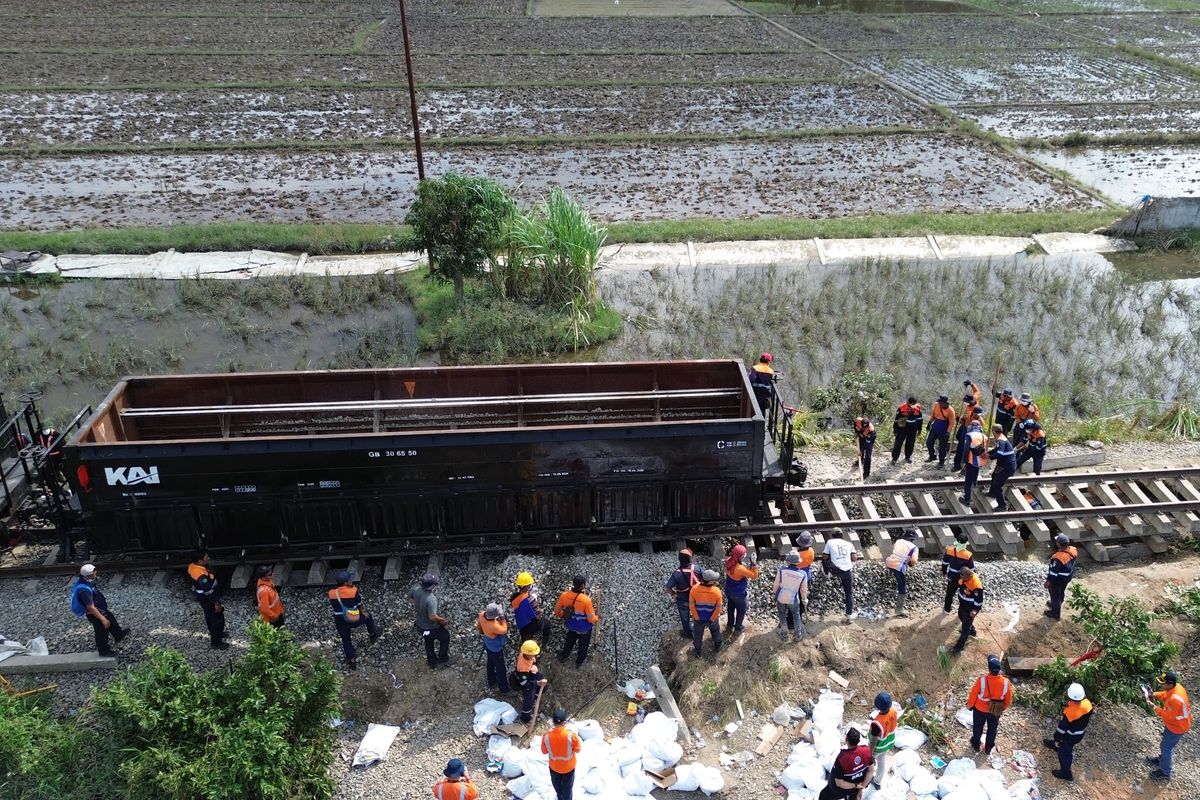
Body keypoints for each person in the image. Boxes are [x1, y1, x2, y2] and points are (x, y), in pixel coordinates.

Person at [69, 563, 129, 657]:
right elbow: (91, 607)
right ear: (89, 575)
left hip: (101, 609)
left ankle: (118, 635)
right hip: (96, 613)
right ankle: (104, 651)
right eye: (94, 573)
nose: (95, 575)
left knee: (111, 619)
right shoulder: (84, 590)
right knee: (101, 631)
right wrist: (102, 619)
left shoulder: (85, 581)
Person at [328, 570, 379, 671]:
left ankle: (352, 660)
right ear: (345, 583)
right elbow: (359, 605)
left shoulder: (331, 593)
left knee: (346, 639)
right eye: (349, 580)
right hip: (352, 617)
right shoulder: (353, 591)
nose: (351, 581)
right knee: (368, 617)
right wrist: (363, 612)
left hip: (339, 619)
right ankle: (373, 634)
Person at [1043, 683, 1092, 782]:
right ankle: (1056, 745)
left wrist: (1057, 738)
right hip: (1079, 732)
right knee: (1064, 745)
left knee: (1064, 753)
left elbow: (1061, 729)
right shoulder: (1087, 704)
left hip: (1071, 736)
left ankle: (1066, 773)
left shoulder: (1069, 713)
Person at [1147, 671, 1190, 782]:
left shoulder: (1175, 699)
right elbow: (1166, 694)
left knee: (1166, 747)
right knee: (1165, 745)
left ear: (1170, 684)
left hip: (1177, 727)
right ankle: (1162, 760)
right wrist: (1154, 694)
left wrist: (1154, 707)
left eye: (1163, 683)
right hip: (1176, 724)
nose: (1161, 685)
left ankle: (1165, 772)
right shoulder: (1176, 688)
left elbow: (1169, 717)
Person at [967, 654, 1013, 754]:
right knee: (992, 729)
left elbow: (973, 693)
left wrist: (970, 705)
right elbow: (1008, 699)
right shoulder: (1006, 682)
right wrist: (1002, 708)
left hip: (980, 709)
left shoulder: (982, 680)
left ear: (989, 669)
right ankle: (988, 747)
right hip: (996, 710)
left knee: (978, 727)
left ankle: (975, 744)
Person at [554, 575, 599, 667]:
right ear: (582, 586)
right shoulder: (586, 600)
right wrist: (597, 618)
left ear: (573, 584)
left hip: (570, 625)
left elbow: (557, 611)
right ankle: (579, 662)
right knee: (583, 645)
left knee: (570, 639)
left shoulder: (564, 595)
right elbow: (591, 618)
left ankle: (564, 656)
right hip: (584, 628)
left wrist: (561, 615)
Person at [187, 551, 228, 650]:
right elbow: (208, 591)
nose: (208, 558)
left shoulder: (192, 566)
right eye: (206, 557)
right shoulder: (201, 576)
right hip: (208, 598)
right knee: (217, 618)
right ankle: (216, 642)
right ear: (200, 561)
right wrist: (216, 603)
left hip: (202, 597)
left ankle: (216, 633)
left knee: (209, 615)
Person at [819, 728, 875, 800]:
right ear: (858, 741)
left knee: (823, 796)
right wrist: (861, 787)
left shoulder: (842, 759)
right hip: (856, 789)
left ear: (846, 739)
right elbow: (871, 771)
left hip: (841, 790)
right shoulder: (866, 751)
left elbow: (839, 783)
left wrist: (855, 785)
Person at [542, 707, 583, 800]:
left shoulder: (546, 736)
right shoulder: (571, 735)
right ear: (564, 723)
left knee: (558, 788)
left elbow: (544, 751)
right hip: (568, 768)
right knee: (567, 790)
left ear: (552, 721)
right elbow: (578, 749)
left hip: (554, 768)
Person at [411, 572, 450, 669]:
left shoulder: (415, 588)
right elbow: (432, 617)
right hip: (430, 628)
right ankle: (443, 658)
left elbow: (410, 597)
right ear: (432, 586)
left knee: (428, 641)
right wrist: (442, 620)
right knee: (445, 636)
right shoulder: (431, 599)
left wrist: (418, 606)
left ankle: (432, 662)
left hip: (420, 626)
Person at [822, 527, 860, 620]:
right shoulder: (849, 544)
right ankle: (849, 615)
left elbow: (825, 556)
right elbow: (855, 558)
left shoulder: (830, 542)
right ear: (842, 535)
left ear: (832, 535)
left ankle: (826, 573)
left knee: (824, 560)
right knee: (849, 593)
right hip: (847, 571)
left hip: (835, 570)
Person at [723, 543, 759, 635]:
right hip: (738, 593)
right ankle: (738, 628)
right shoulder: (739, 569)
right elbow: (754, 576)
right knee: (741, 610)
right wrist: (754, 563)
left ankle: (730, 625)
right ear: (740, 557)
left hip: (728, 589)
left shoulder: (728, 560)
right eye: (743, 555)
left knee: (730, 607)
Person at [773, 550, 809, 642]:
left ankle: (785, 635)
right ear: (798, 562)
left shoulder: (782, 570)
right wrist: (804, 599)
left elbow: (776, 584)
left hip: (781, 597)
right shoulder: (803, 574)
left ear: (788, 561)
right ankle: (798, 635)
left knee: (782, 614)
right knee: (796, 615)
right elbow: (803, 589)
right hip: (793, 599)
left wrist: (774, 593)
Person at [665, 548, 700, 639]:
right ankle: (699, 630)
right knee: (698, 614)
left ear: (679, 559)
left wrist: (673, 594)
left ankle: (688, 633)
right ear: (690, 559)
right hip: (697, 598)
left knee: (685, 617)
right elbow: (706, 578)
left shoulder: (676, 573)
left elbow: (667, 588)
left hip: (683, 599)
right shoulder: (696, 568)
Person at [885, 529, 919, 617]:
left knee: (894, 568)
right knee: (902, 588)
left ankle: (889, 575)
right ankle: (899, 610)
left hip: (889, 562)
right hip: (898, 567)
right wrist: (911, 563)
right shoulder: (914, 547)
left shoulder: (898, 541)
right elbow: (914, 560)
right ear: (913, 539)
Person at [477, 603, 510, 694]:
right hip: (496, 648)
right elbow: (504, 630)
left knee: (490, 663)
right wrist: (502, 618)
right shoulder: (494, 626)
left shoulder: (481, 615)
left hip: (488, 644)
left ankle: (491, 681)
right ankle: (504, 689)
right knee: (500, 668)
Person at [510, 571, 551, 644]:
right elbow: (538, 615)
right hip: (531, 625)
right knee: (547, 624)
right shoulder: (531, 599)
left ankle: (524, 646)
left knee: (525, 639)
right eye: (529, 584)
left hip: (521, 624)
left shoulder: (513, 597)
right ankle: (545, 642)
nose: (530, 585)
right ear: (527, 586)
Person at [869, 692, 899, 790]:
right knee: (881, 763)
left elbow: (873, 742)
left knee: (868, 764)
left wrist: (870, 755)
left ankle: (866, 780)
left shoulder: (877, 723)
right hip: (887, 744)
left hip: (878, 747)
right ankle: (877, 782)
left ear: (877, 706)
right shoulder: (894, 711)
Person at [689, 569, 723, 656]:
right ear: (710, 581)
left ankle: (697, 651)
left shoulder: (694, 589)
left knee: (698, 635)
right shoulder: (717, 591)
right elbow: (718, 608)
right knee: (715, 631)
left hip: (699, 618)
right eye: (714, 579)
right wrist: (711, 619)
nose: (715, 581)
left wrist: (697, 617)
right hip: (712, 618)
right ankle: (718, 646)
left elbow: (692, 606)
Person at [1045, 534, 1077, 620]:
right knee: (1061, 591)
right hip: (1067, 577)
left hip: (1058, 579)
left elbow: (1053, 572)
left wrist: (1048, 581)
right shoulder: (1073, 550)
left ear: (1058, 544)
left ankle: (1055, 613)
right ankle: (1058, 603)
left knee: (1055, 595)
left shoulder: (1058, 558)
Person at [942, 531, 975, 613]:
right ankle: (962, 610)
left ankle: (947, 609)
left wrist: (944, 572)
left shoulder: (949, 550)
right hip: (963, 578)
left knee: (949, 593)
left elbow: (945, 563)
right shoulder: (968, 555)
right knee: (964, 594)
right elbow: (971, 569)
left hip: (952, 576)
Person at [951, 566, 983, 653]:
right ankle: (972, 631)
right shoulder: (964, 579)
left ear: (967, 576)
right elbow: (959, 583)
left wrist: (975, 610)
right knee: (960, 615)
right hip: (963, 605)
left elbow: (979, 600)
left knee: (965, 627)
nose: (960, 578)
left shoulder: (976, 585)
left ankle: (959, 647)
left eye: (962, 577)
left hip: (969, 608)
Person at [515, 640, 548, 723]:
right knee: (529, 697)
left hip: (530, 673)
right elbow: (524, 683)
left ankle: (537, 694)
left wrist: (533, 665)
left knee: (541, 681)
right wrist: (536, 683)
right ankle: (525, 717)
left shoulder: (524, 653)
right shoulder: (522, 668)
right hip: (526, 680)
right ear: (528, 654)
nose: (535, 655)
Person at [987, 424, 1017, 512]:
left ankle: (1002, 505)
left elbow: (999, 453)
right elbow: (997, 450)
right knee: (994, 476)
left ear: (994, 432)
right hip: (1004, 465)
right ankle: (992, 493)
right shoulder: (1002, 437)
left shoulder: (1001, 440)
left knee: (997, 485)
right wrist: (989, 453)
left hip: (1006, 467)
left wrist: (989, 457)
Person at [959, 421, 988, 507]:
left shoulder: (969, 436)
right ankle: (974, 483)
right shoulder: (984, 436)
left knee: (967, 480)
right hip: (980, 461)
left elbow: (966, 449)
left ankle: (967, 499)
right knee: (974, 475)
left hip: (972, 460)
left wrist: (963, 461)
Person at [952, 391, 980, 471]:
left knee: (963, 448)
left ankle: (960, 465)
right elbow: (976, 391)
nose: (965, 403)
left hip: (970, 431)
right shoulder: (968, 406)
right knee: (959, 442)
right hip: (964, 427)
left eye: (967, 402)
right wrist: (960, 419)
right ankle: (958, 463)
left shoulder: (976, 410)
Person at [925, 395, 956, 469]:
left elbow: (951, 423)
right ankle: (932, 456)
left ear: (945, 403)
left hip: (944, 428)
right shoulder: (936, 405)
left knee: (942, 447)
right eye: (939, 403)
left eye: (941, 403)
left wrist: (948, 432)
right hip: (935, 426)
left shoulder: (951, 411)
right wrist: (929, 423)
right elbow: (933, 415)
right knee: (929, 442)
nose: (940, 404)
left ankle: (941, 461)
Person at [890, 396, 923, 464]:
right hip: (902, 428)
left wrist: (919, 429)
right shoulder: (901, 408)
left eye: (914, 404)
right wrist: (895, 430)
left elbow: (920, 419)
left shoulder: (918, 408)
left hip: (913, 428)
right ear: (908, 402)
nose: (913, 405)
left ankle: (908, 457)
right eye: (912, 404)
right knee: (898, 443)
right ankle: (894, 458)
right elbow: (896, 420)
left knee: (910, 443)